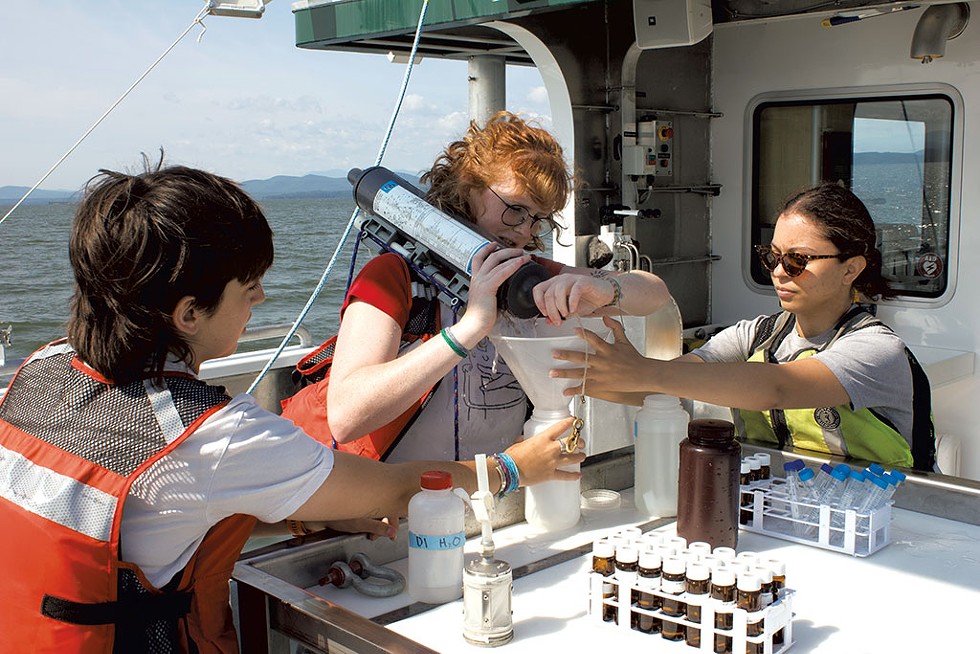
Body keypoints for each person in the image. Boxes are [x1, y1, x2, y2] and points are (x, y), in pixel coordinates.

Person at [0, 161, 584, 653]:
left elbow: (153, 511)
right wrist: (515, 468)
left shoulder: (42, 368)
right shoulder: (209, 435)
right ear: (188, 315)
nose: (260, 297)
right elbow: (397, 490)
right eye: (247, 284)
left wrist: (304, 514)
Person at [282, 111, 671, 462]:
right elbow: (348, 416)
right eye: (514, 209)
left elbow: (654, 293)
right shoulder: (395, 277)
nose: (523, 230)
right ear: (468, 187)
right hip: (399, 507)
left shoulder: (527, 275)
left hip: (493, 494)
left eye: (538, 219)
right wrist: (470, 328)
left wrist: (607, 291)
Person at [552, 183, 935, 470]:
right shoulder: (756, 335)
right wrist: (601, 376)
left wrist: (644, 371)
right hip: (784, 507)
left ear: (851, 268)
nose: (780, 273)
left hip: (893, 514)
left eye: (798, 261)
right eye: (773, 257)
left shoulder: (877, 350)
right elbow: (668, 384)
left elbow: (776, 387)